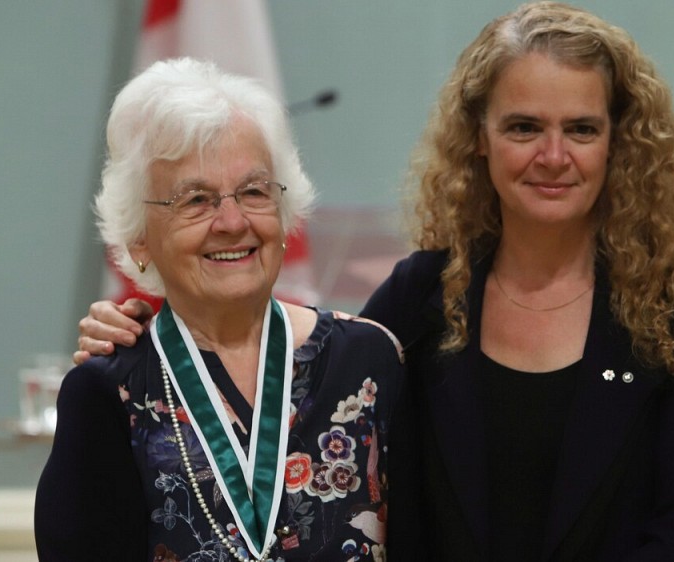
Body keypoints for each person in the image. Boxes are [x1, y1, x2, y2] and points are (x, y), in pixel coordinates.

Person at [75, 3, 674, 560]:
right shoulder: (424, 296)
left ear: (617, 141)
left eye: (581, 128)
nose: (553, 155)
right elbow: (308, 386)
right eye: (523, 126)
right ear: (479, 137)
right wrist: (143, 330)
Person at [35, 57, 406, 562]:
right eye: (196, 200)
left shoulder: (369, 362)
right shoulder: (107, 391)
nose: (232, 222)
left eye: (253, 191)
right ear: (138, 238)